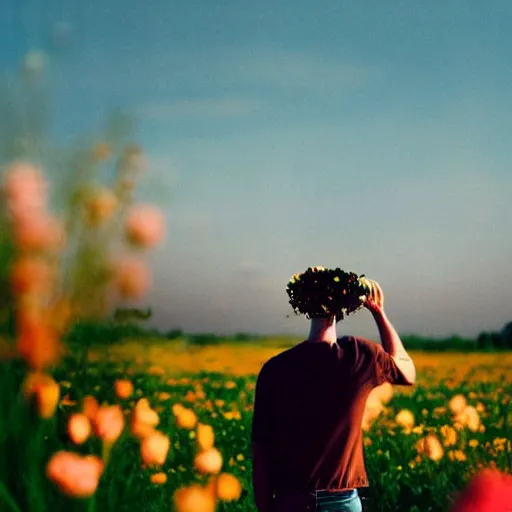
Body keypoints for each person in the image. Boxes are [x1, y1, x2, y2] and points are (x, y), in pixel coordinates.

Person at [251, 270, 416, 512]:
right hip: (342, 502)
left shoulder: (274, 369)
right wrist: (378, 312)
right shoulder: (359, 356)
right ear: (344, 308)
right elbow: (407, 371)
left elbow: (261, 453)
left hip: (291, 500)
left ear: (303, 304)